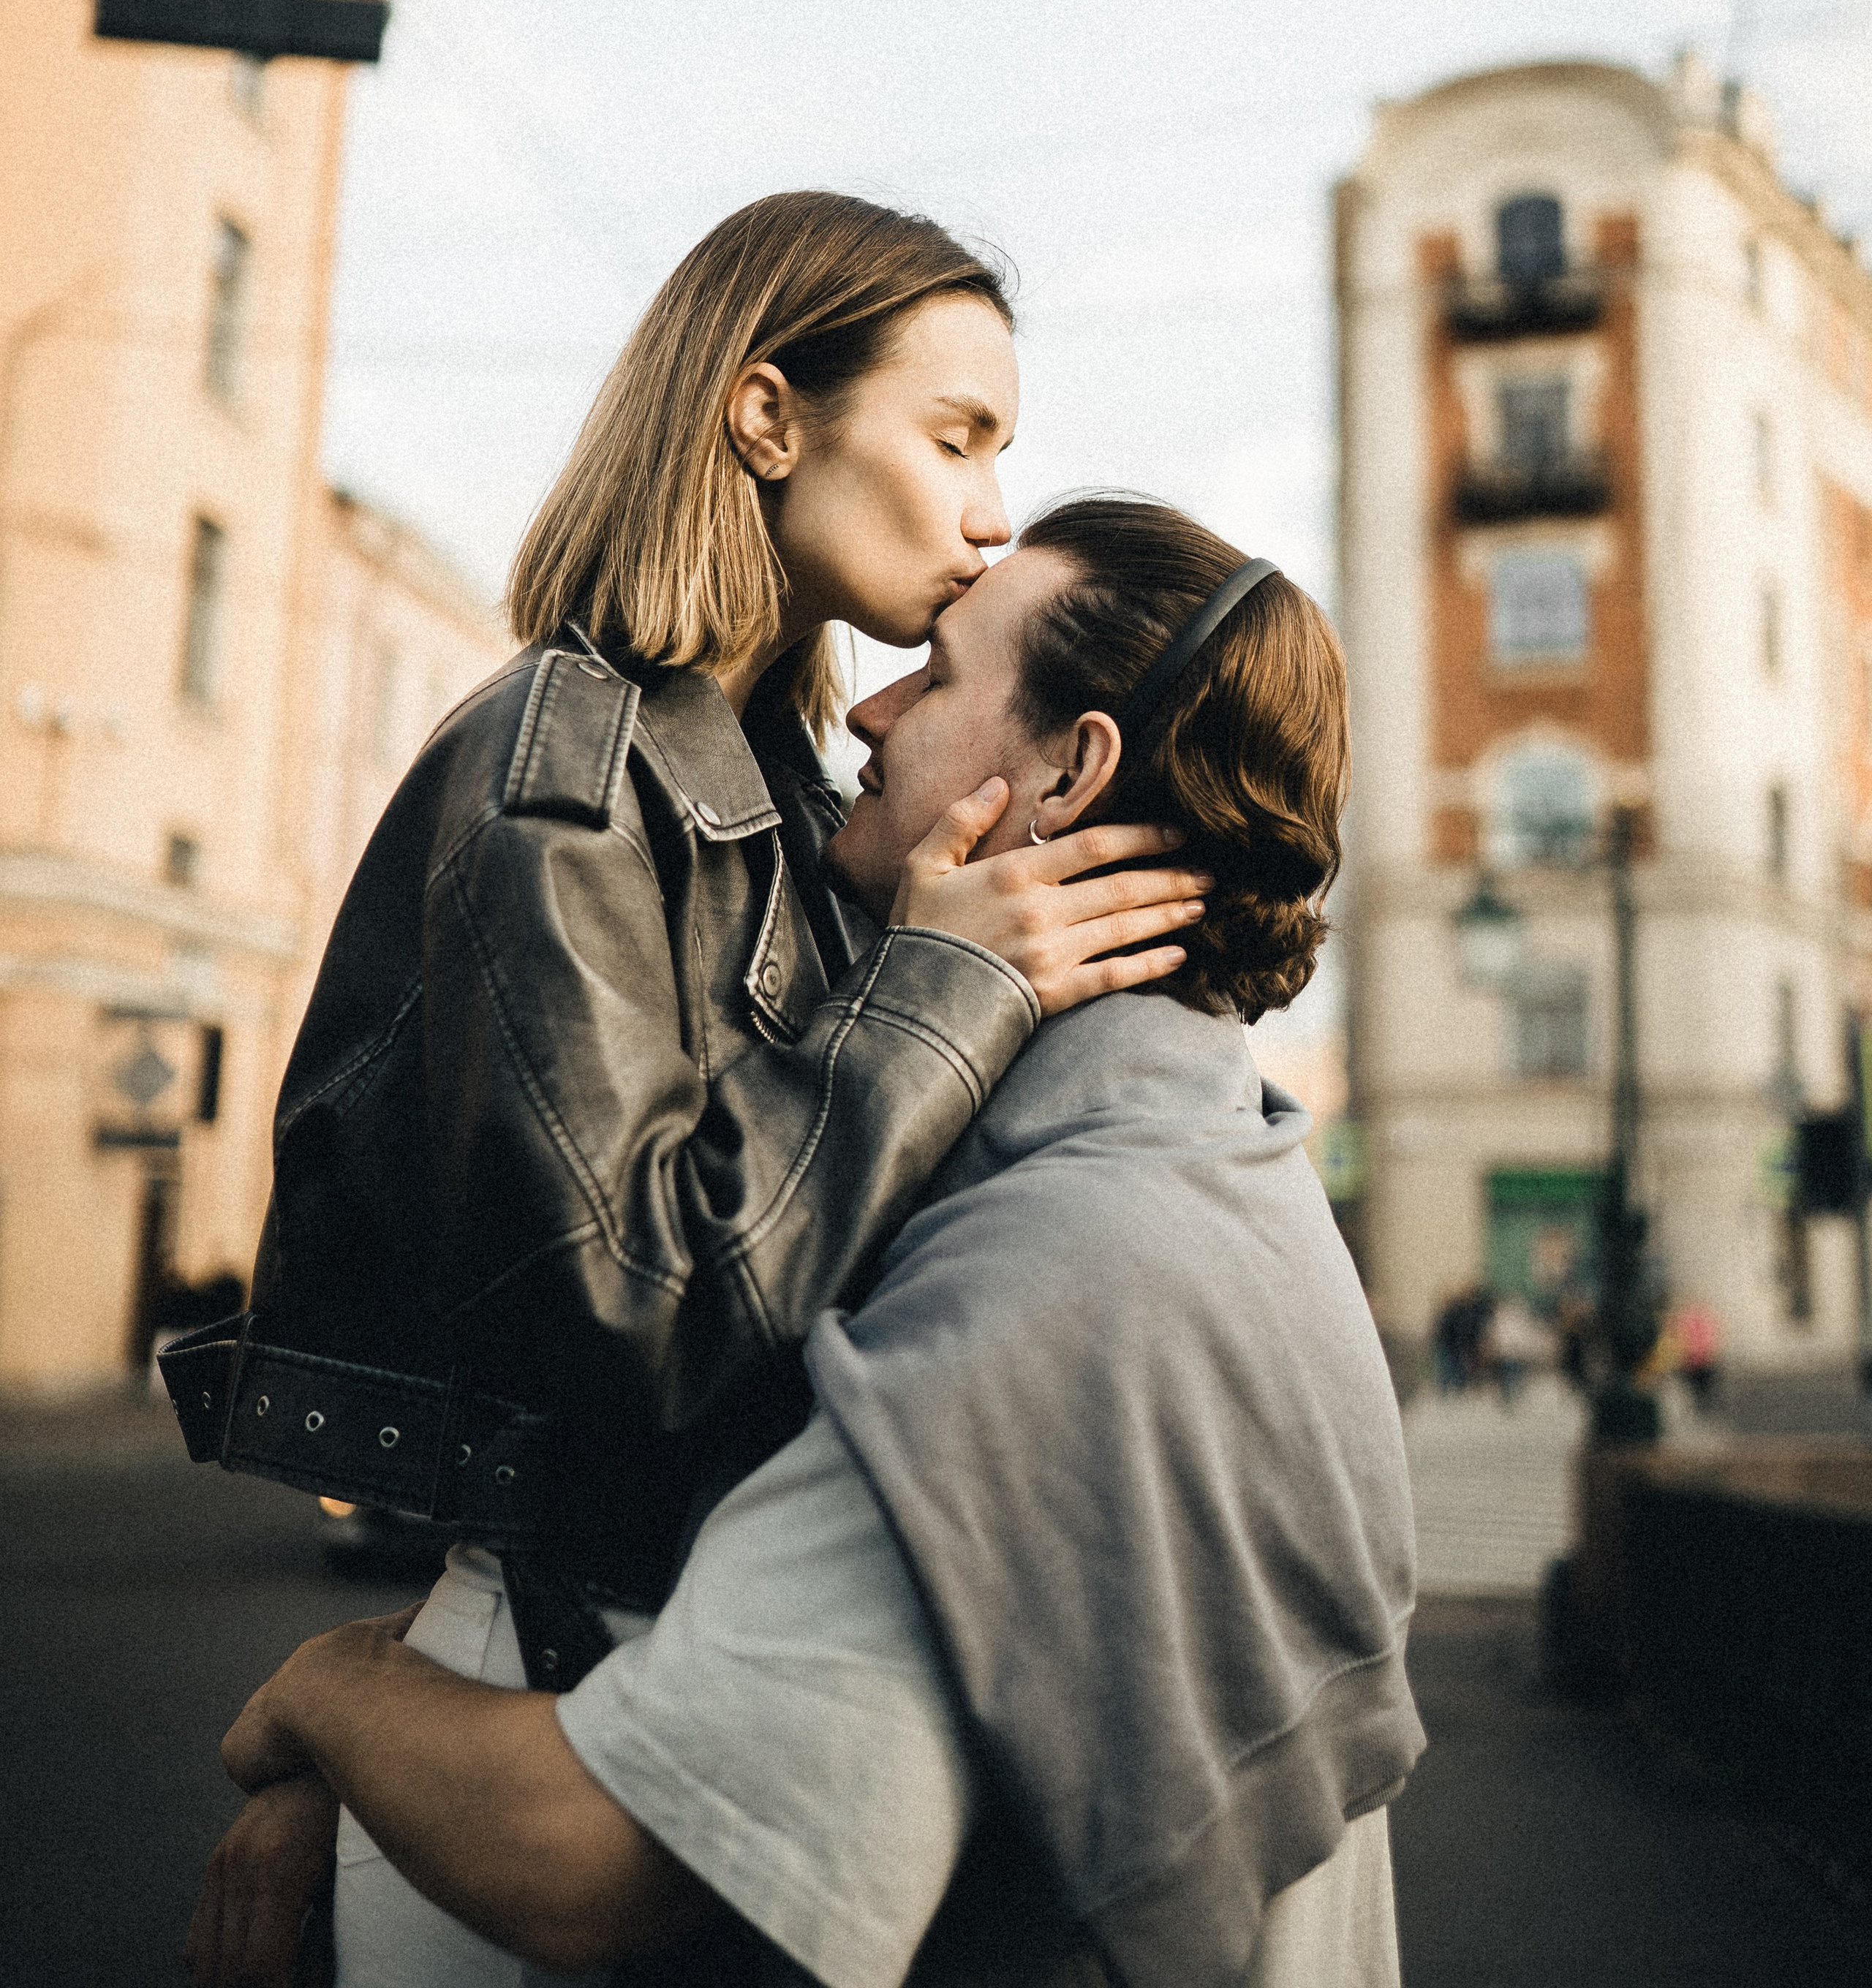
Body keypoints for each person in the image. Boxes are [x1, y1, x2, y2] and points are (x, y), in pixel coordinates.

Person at [161, 194, 1207, 1979]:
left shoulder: (788, 797)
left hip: (696, 1678)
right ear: (767, 417)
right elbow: (632, 1307)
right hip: (560, 1695)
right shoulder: (557, 780)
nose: (990, 513)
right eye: (954, 437)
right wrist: (943, 996)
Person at [192, 496, 1420, 1988]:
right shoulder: (1227, 1176)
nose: (870, 712)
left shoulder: (1043, 1285)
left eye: (940, 675)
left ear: (1067, 773)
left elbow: (591, 1855)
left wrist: (335, 1695)